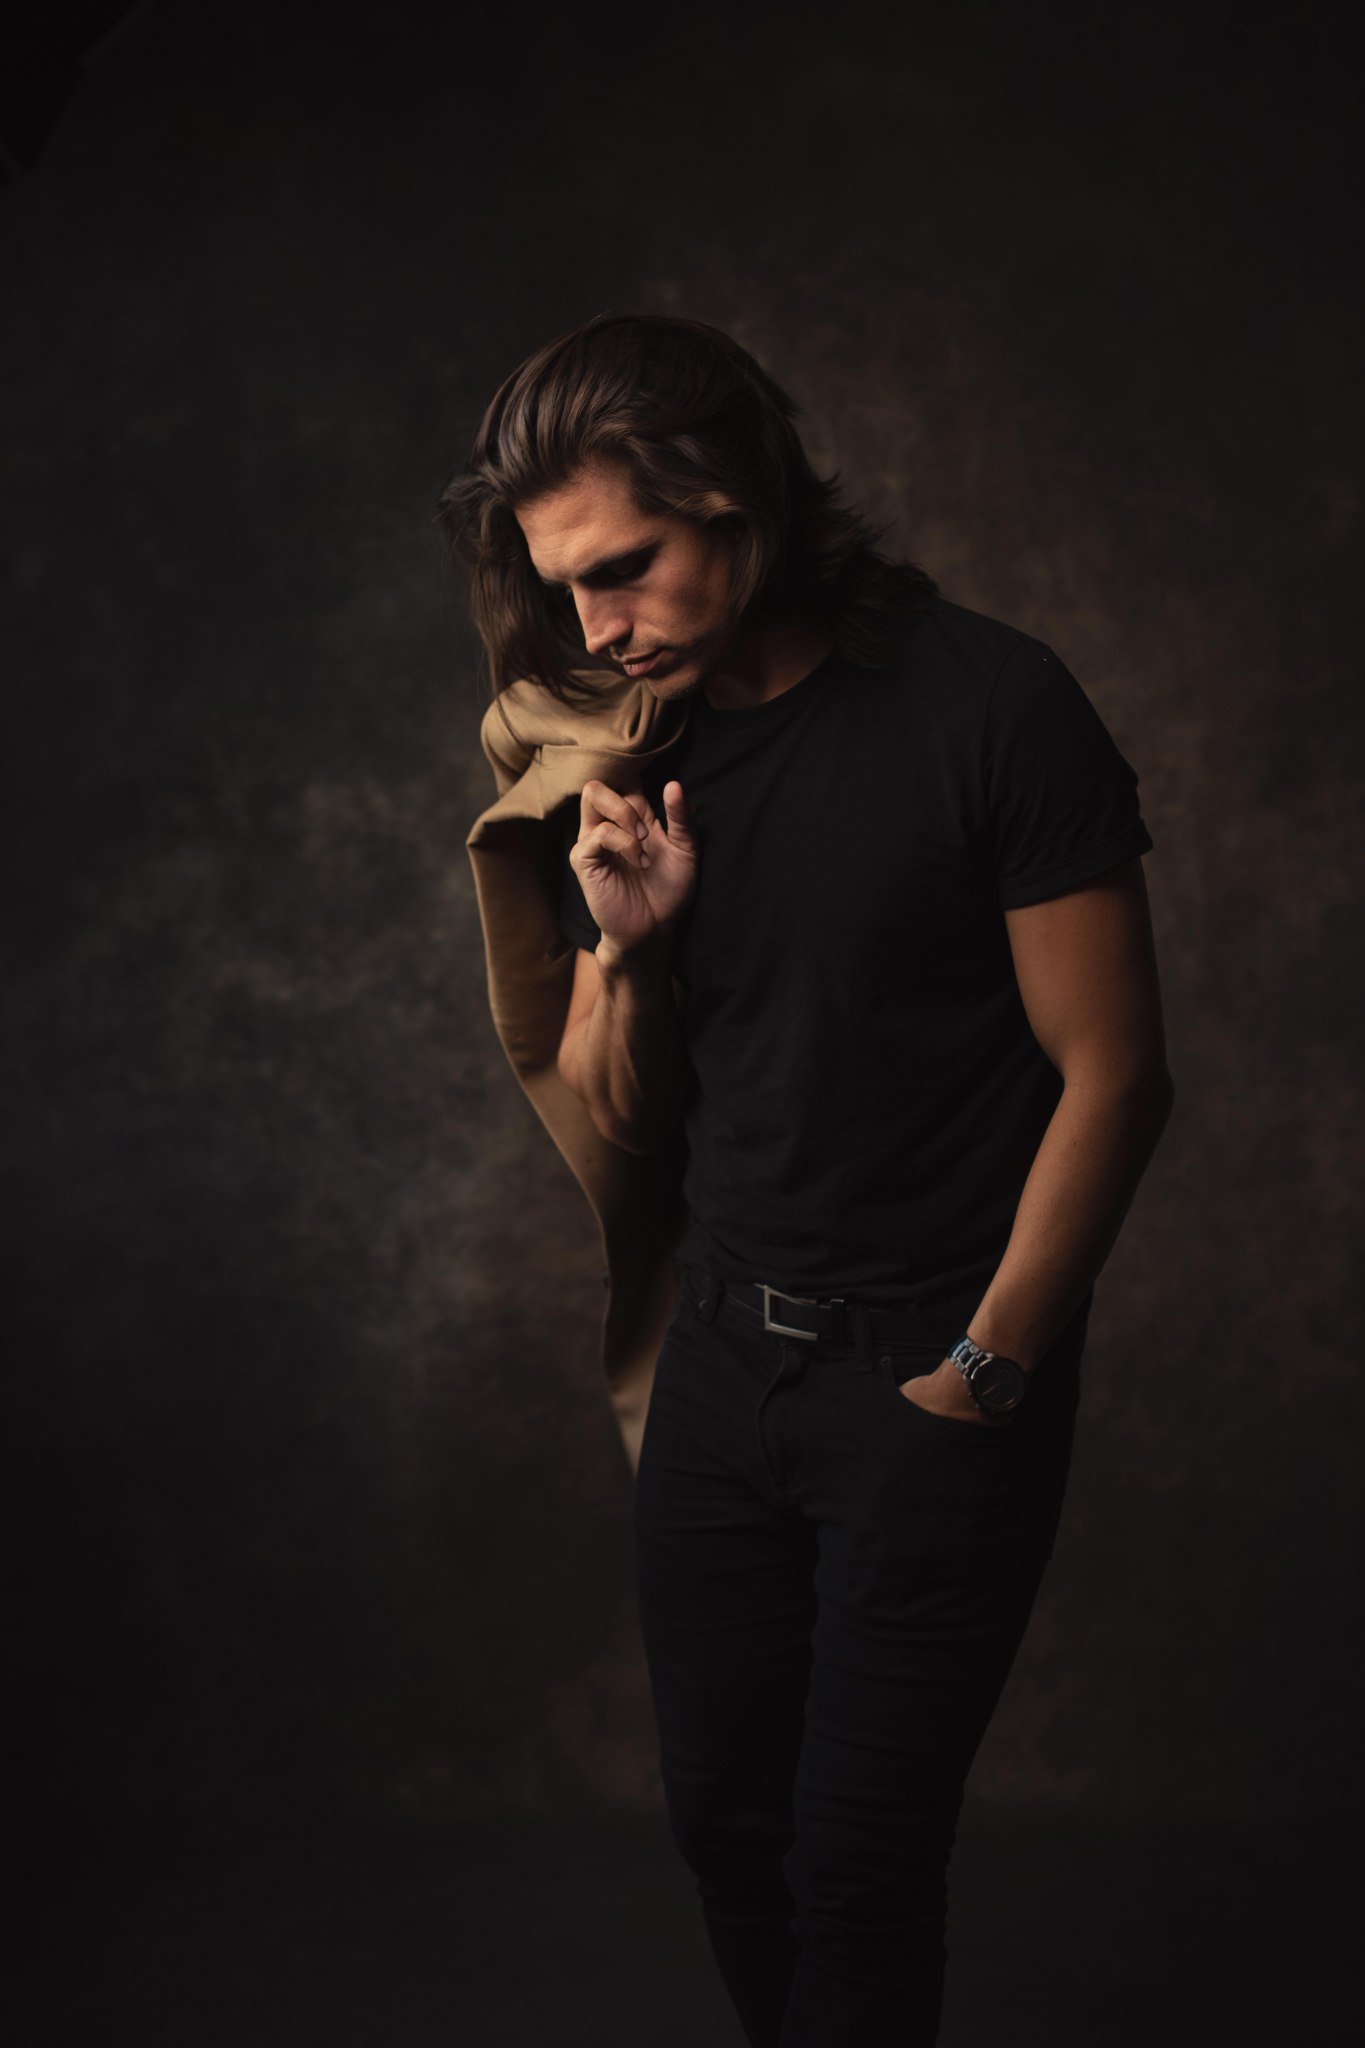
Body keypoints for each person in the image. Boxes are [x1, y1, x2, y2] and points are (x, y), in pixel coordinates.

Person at [442, 313, 1174, 2047]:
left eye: (621, 568)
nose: (592, 626)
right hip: (716, 1370)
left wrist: (983, 1369)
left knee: (857, 1872)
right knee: (731, 1837)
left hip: (929, 1371)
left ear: (738, 496)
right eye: (561, 589)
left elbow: (1117, 1078)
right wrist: (630, 951)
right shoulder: (627, 746)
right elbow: (623, 1120)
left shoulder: (989, 706)